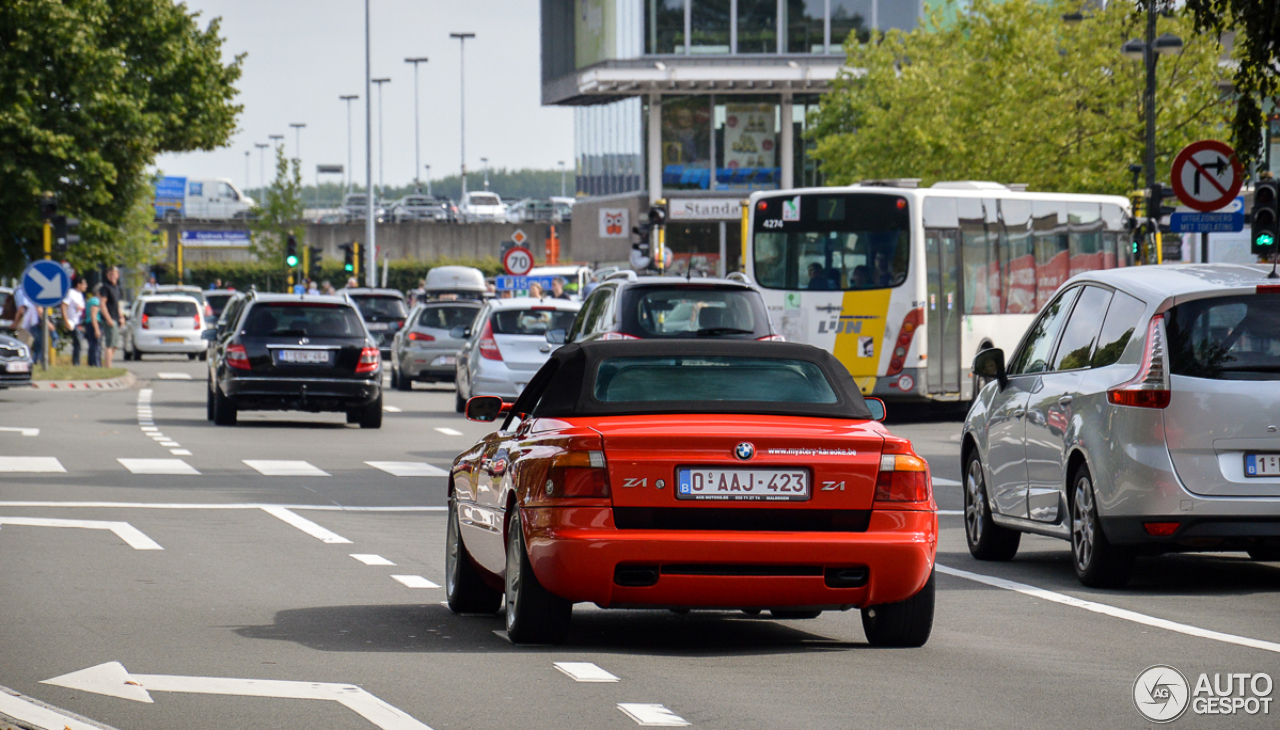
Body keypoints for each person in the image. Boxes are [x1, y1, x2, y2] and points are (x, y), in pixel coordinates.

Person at [60, 276, 88, 366]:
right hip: (72, 322)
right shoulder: (71, 293)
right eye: (84, 284)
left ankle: (77, 362)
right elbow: (64, 305)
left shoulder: (80, 295)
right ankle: (76, 363)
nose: (86, 286)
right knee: (78, 343)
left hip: (78, 322)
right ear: (78, 285)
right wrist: (66, 320)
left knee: (79, 343)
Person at [99, 265, 122, 368]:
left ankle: (107, 363)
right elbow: (102, 304)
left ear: (118, 275)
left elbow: (117, 304)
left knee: (115, 345)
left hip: (115, 318)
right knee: (109, 343)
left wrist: (121, 317)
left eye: (114, 274)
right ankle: (108, 366)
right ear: (107, 275)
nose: (112, 276)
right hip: (109, 319)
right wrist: (108, 319)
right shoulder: (105, 287)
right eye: (110, 274)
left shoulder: (116, 288)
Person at [85, 284, 102, 367]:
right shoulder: (95, 301)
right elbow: (93, 315)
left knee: (93, 345)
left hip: (90, 324)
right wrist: (97, 329)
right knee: (96, 346)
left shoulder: (91, 300)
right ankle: (95, 364)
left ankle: (92, 364)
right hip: (93, 324)